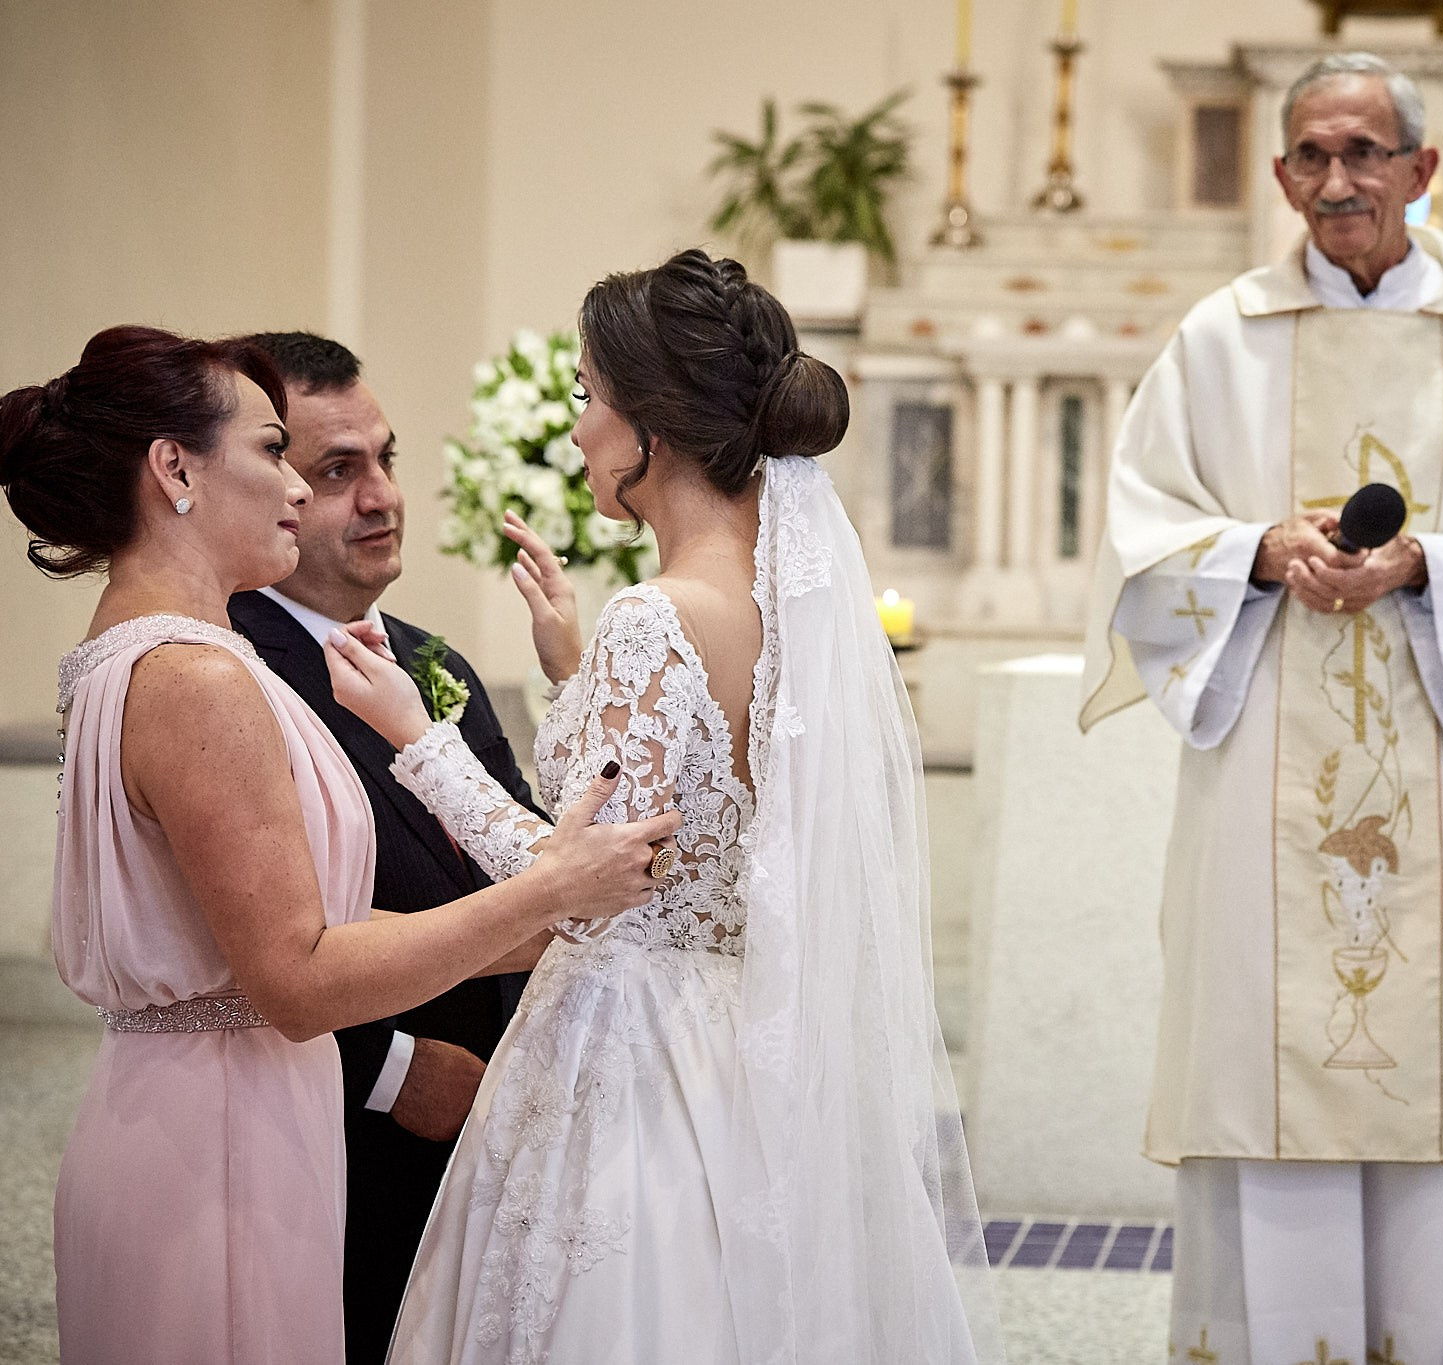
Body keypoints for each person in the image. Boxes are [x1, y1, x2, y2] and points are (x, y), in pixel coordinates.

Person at [1079, 53, 1443, 1365]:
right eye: (1309, 155)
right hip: (1263, 780)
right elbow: (1136, 539)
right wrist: (1255, 551)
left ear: (1422, 168)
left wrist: (1427, 564)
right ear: (1281, 172)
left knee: (1437, 1071)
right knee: (1260, 1066)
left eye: (1362, 152)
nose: (1335, 180)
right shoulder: (1217, 339)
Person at [326, 248, 1002, 1364]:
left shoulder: (658, 616)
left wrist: (418, 738)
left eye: (589, 397)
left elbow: (580, 890)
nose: (579, 428)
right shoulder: (783, 609)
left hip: (627, 1042)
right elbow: (697, 819)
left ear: (652, 429)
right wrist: (571, 672)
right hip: (739, 1035)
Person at [0, 325, 679, 1364]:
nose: (295, 488)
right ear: (174, 468)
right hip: (219, 1142)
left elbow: (276, 931)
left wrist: (557, 918)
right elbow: (298, 974)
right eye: (274, 452)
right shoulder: (197, 677)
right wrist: (550, 896)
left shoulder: (140, 650)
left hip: (210, 1108)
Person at [222, 332, 541, 1364]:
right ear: (268, 480)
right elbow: (218, 933)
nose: (381, 497)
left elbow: (517, 865)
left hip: (492, 1113)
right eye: (337, 471)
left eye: (387, 460)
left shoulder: (435, 662)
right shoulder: (230, 674)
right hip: (331, 1132)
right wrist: (393, 1070)